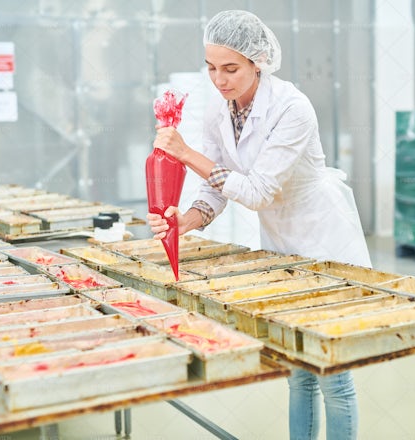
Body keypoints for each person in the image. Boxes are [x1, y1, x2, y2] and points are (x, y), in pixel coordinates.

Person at [147, 10, 372, 440]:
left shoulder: (292, 108)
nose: (220, 79)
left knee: (333, 372)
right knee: (295, 366)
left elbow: (256, 192)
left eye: (230, 68)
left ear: (259, 61)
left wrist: (186, 153)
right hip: (282, 245)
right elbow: (215, 191)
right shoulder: (219, 110)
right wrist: (183, 222)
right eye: (211, 67)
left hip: (326, 242)